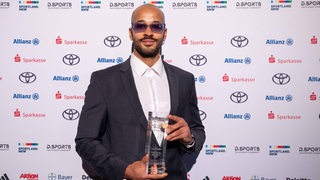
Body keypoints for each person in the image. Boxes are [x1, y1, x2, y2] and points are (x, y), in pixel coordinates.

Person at [75, 4, 206, 180]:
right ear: (131, 33)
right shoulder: (104, 80)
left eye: (156, 26)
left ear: (164, 33)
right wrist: (124, 171)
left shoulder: (184, 79)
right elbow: (85, 141)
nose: (148, 32)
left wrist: (189, 138)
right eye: (140, 26)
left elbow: (197, 129)